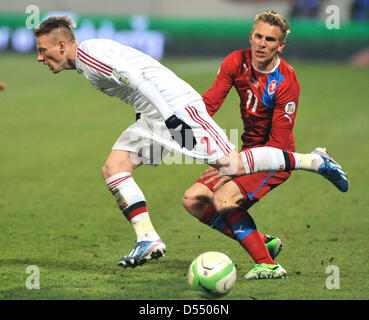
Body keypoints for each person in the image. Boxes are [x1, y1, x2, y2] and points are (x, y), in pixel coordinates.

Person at [33, 16, 348, 269]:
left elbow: (140, 80)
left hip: (175, 112)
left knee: (229, 164)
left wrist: (171, 118)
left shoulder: (90, 57)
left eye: (43, 50)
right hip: (152, 117)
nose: (39, 57)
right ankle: (148, 239)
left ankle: (314, 160)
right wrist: (151, 118)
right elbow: (138, 83)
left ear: (61, 45)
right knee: (114, 167)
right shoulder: (90, 54)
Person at [182, 11, 348, 279]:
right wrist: (177, 122)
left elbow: (279, 144)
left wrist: (238, 167)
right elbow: (209, 105)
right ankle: (263, 242)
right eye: (258, 36)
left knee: (224, 198)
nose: (261, 44)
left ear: (280, 45)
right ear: (251, 36)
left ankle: (268, 265)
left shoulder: (286, 81)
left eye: (270, 40)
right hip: (245, 154)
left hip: (275, 159)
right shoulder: (236, 62)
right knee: (193, 200)